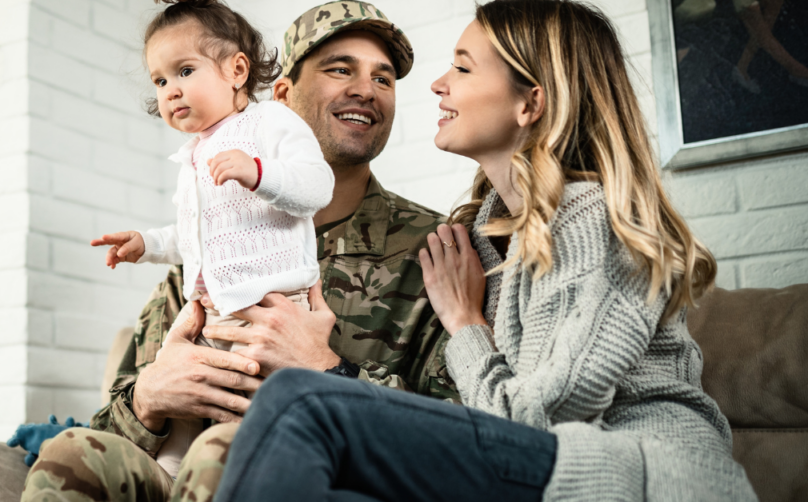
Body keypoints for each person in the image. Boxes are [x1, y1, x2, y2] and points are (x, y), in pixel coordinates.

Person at [214, 1, 759, 501]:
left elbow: (533, 421)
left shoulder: (594, 217)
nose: (435, 84)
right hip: (549, 474)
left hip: (644, 479)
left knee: (301, 402)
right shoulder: (481, 238)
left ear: (530, 102)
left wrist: (464, 323)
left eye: (463, 67)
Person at [17, 2, 458, 501]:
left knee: (226, 455)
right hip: (177, 470)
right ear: (284, 95)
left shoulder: (434, 248)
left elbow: (466, 443)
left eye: (384, 79)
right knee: (71, 453)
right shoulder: (207, 247)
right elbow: (114, 425)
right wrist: (150, 397)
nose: (366, 89)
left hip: (311, 474)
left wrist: (329, 371)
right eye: (340, 69)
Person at [88, 0, 334, 478]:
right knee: (183, 381)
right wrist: (148, 244)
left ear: (236, 69)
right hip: (212, 308)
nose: (170, 91)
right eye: (159, 81)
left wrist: (259, 172)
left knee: (247, 404)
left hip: (272, 309)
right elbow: (196, 235)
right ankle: (172, 470)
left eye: (184, 70)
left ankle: (247, 465)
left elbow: (316, 187)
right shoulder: (196, 153)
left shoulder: (270, 123)